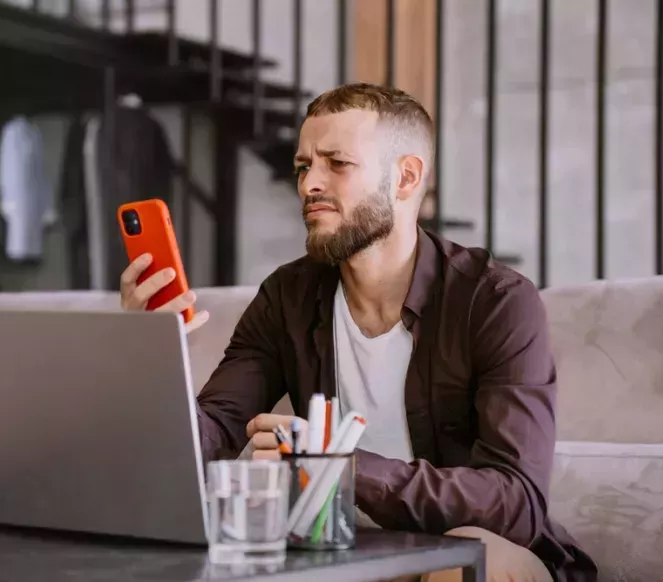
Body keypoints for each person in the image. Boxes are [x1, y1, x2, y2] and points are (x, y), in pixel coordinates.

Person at [120, 83, 597, 582]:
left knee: (470, 557)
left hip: (467, 553)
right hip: (337, 553)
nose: (309, 185)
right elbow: (211, 437)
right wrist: (148, 355)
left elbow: (517, 503)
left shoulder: (495, 301)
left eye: (337, 164)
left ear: (405, 178)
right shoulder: (287, 297)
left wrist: (340, 466)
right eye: (304, 166)